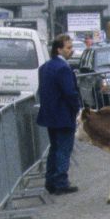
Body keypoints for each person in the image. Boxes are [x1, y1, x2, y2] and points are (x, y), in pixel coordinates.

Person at [36, 33, 81, 195]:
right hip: (63, 114)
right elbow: (69, 92)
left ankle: (50, 180)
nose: (71, 50)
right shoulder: (63, 68)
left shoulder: (45, 67)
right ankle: (61, 182)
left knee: (54, 148)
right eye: (68, 47)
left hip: (50, 114)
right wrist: (77, 108)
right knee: (63, 148)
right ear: (59, 49)